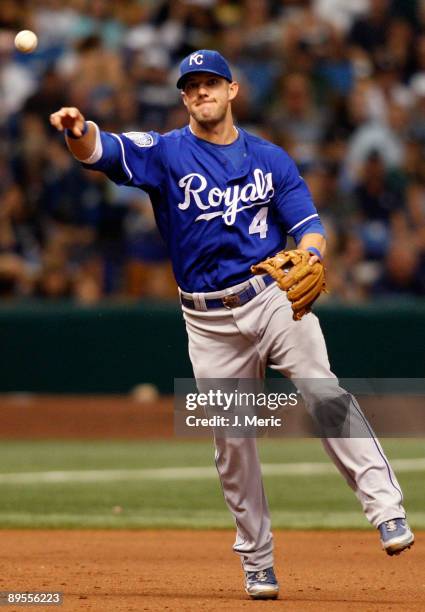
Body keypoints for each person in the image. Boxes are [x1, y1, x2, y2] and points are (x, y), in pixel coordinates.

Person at [50, 50, 414, 601]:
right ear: (183, 97)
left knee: (322, 389)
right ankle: (258, 560)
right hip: (206, 317)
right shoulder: (167, 152)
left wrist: (311, 257)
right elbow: (103, 151)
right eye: (191, 86)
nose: (201, 93)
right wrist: (78, 131)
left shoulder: (270, 158)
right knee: (232, 439)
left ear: (232, 90)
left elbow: (310, 226)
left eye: (210, 83)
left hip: (270, 297)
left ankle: (386, 509)